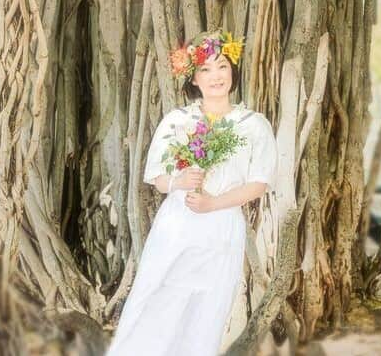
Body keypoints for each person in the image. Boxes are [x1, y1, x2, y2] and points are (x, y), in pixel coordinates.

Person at [106, 30, 278, 356]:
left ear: (233, 72)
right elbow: (156, 177)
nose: (216, 76)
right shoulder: (178, 120)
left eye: (222, 67)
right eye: (206, 70)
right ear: (194, 79)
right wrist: (179, 181)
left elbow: (259, 184)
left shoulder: (253, 124)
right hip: (177, 222)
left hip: (222, 225)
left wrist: (214, 203)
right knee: (157, 297)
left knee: (207, 309)